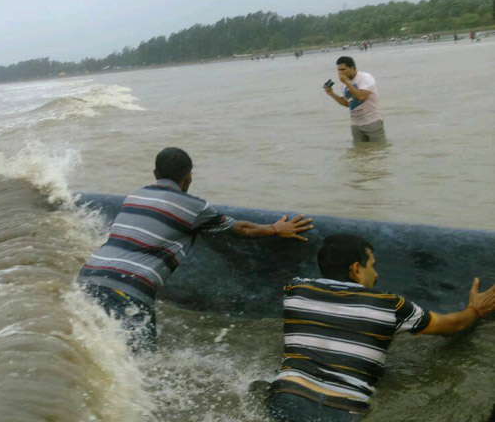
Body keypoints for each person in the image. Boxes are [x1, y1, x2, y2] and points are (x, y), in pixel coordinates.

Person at [76, 147, 314, 350]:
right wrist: (275, 228)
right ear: (188, 178)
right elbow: (242, 230)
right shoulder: (194, 207)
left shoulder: (134, 196)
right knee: (141, 361)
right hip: (129, 289)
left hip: (86, 279)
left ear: (155, 174)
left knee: (92, 352)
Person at [256, 234, 495, 421]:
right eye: (372, 265)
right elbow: (452, 325)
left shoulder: (295, 290)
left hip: (286, 394)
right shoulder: (390, 305)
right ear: (356, 269)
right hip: (343, 407)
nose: (377, 273)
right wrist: (475, 309)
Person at [323, 56, 386, 144]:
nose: (340, 73)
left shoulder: (365, 78)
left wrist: (347, 83)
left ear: (352, 68)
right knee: (359, 150)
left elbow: (361, 97)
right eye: (338, 70)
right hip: (356, 123)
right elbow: (347, 103)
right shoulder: (345, 84)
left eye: (343, 70)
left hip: (372, 120)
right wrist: (332, 94)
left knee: (379, 149)